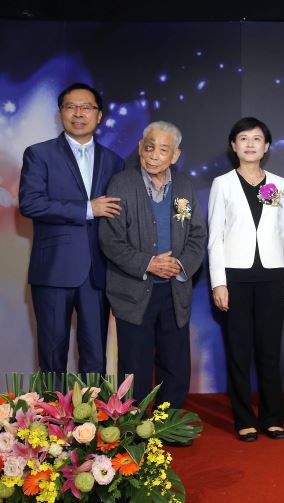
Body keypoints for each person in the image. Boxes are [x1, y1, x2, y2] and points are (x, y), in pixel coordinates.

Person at [99, 121, 207, 439]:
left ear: (175, 155)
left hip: (174, 290)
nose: (155, 155)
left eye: (163, 149)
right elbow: (111, 240)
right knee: (135, 367)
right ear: (139, 148)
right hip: (134, 291)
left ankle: (166, 428)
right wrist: (149, 263)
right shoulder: (121, 183)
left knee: (176, 366)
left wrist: (177, 265)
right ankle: (133, 432)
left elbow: (198, 236)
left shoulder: (185, 186)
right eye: (150, 146)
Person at [19, 82, 124, 375]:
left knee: (95, 357)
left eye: (87, 107)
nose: (79, 113)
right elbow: (31, 204)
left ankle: (94, 419)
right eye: (70, 106)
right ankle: (51, 421)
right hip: (53, 270)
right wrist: (88, 208)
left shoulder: (115, 161)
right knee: (52, 355)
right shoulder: (39, 154)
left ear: (99, 115)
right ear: (60, 113)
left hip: (98, 271)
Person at [208, 117, 284, 442]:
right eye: (243, 138)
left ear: (266, 146)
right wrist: (219, 282)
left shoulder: (279, 183)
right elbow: (215, 237)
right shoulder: (223, 184)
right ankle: (244, 418)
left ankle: (273, 417)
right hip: (236, 278)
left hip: (273, 276)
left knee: (269, 351)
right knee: (239, 350)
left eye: (256, 139)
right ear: (234, 146)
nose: (249, 144)